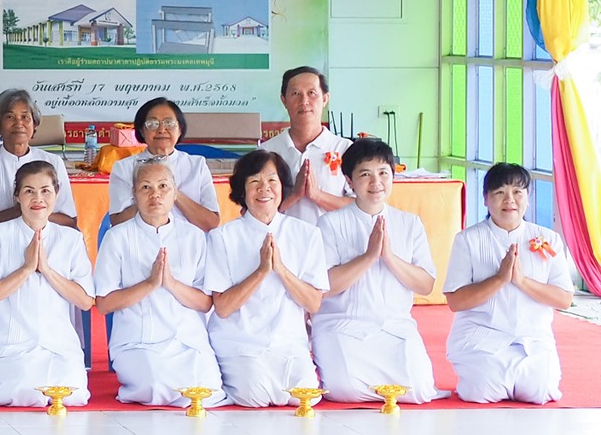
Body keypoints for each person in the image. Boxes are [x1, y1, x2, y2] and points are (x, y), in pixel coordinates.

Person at [312, 138, 442, 404]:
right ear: (349, 181)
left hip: (395, 326)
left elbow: (426, 285)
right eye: (365, 174)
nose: (376, 182)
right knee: (344, 390)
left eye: (383, 173)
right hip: (342, 325)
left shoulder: (409, 223)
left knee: (419, 389)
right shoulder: (329, 224)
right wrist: (369, 256)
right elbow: (323, 287)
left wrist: (389, 257)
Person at [94, 159, 226, 407]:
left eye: (163, 186)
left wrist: (171, 283)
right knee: (156, 386)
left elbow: (205, 302)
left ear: (175, 193)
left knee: (206, 389)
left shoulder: (194, 236)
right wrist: (150, 284)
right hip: (138, 342)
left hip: (187, 341)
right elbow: (103, 303)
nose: (155, 194)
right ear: (134, 194)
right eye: (146, 187)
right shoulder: (117, 237)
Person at [442, 162, 575, 404]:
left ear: (528, 197)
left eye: (517, 192)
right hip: (481, 337)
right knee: (481, 391)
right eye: (500, 192)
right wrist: (500, 279)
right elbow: (456, 301)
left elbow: (564, 299)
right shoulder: (467, 240)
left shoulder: (548, 239)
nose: (509, 200)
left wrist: (521, 281)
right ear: (485, 198)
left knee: (540, 391)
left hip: (533, 338)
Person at [204, 150, 327, 407]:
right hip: (240, 341)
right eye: (254, 182)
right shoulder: (223, 237)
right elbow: (223, 307)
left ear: (283, 187)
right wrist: (261, 271)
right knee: (254, 395)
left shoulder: (306, 234)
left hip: (288, 342)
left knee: (305, 396)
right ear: (242, 190)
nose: (264, 189)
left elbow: (314, 303)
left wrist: (280, 269)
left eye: (272, 180)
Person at [0, 159, 95, 407]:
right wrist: (27, 268)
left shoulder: (70, 239)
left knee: (73, 395)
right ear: (17, 196)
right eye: (29, 191)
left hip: (59, 346)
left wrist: (46, 270)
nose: (38, 199)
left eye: (45, 191)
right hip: (9, 346)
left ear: (56, 194)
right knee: (25, 393)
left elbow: (85, 301)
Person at [0, 90, 76, 255]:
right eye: (10, 117)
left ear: (34, 124)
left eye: (25, 117)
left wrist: (33, 212)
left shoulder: (53, 162)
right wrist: (16, 212)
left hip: (48, 253)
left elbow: (70, 222)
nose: (18, 123)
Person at [107, 96, 221, 231]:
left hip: (188, 241)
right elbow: (118, 223)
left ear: (180, 129)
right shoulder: (124, 168)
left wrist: (171, 192)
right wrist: (147, 196)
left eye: (169, 123)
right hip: (140, 240)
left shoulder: (197, 165)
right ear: (142, 131)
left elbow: (211, 224)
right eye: (152, 124)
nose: (161, 129)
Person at [261, 66, 349, 226]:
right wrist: (294, 195)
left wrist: (317, 195)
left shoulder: (345, 149)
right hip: (281, 240)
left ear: (325, 99)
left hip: (331, 240)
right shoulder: (266, 151)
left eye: (312, 93)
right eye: (295, 94)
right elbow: (255, 210)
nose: (304, 101)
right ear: (284, 100)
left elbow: (361, 207)